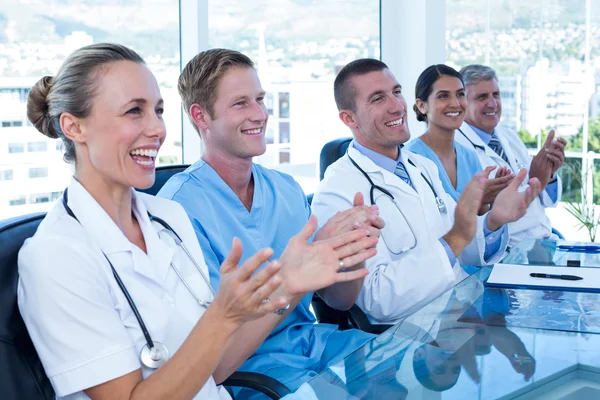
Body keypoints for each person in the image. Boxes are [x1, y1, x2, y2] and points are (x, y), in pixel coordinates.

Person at [16, 43, 368, 400]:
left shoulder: (167, 219)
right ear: (74, 127)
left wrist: (319, 266)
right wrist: (248, 304)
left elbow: (214, 363)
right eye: (134, 112)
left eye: (158, 110)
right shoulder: (55, 257)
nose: (157, 129)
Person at [158, 49, 383, 397]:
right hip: (252, 372)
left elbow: (337, 302)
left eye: (260, 100)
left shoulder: (286, 188)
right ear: (201, 116)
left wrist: (353, 252)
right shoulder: (177, 209)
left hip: (315, 345)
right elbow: (211, 365)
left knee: (413, 364)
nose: (260, 114)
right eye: (241, 103)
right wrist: (289, 285)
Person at [311, 58, 542, 325]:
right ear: (348, 118)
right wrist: (455, 238)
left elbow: (462, 246)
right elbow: (377, 300)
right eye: (377, 99)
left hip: (461, 315)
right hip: (410, 336)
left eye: (396, 92)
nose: (397, 106)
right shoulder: (337, 191)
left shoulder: (421, 166)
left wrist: (494, 220)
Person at [455, 64, 566, 246]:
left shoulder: (508, 136)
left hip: (545, 240)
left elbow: (546, 201)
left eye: (496, 95)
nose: (492, 103)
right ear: (463, 102)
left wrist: (548, 175)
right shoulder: (458, 147)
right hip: (508, 249)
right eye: (482, 97)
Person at [406, 64, 514, 214]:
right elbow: (425, 226)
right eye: (443, 96)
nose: (455, 103)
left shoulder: (470, 157)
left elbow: (480, 221)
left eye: (460, 94)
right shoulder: (410, 159)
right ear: (422, 105)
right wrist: (475, 200)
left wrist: (492, 197)